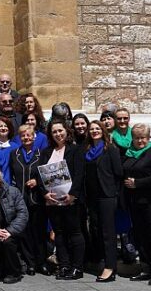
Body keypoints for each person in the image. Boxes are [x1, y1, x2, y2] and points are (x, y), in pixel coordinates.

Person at [37, 121, 87, 280]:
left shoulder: (75, 150)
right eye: (54, 132)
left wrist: (73, 194)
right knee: (59, 233)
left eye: (60, 131)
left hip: (70, 200)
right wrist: (45, 193)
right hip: (52, 201)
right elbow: (40, 175)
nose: (58, 134)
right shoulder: (46, 152)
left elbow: (80, 174)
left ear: (67, 131)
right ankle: (64, 265)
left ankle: (77, 267)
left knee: (75, 232)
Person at [122, 123, 151, 285]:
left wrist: (137, 183)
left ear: (148, 138)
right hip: (135, 202)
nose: (139, 141)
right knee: (140, 237)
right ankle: (145, 268)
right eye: (136, 138)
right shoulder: (129, 154)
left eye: (142, 138)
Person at [83, 120, 123, 282]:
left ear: (103, 131)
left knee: (108, 232)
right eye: (91, 129)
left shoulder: (110, 149)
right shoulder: (87, 150)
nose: (94, 131)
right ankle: (101, 261)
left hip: (107, 196)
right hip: (92, 197)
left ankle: (110, 267)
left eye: (97, 128)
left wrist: (115, 193)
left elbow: (118, 173)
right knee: (96, 230)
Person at [9, 124, 49, 276]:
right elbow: (12, 175)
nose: (26, 138)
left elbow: (46, 174)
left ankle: (42, 262)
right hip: (20, 199)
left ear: (34, 137)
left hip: (37, 199)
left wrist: (37, 182)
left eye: (29, 135)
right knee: (24, 232)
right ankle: (30, 263)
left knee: (39, 231)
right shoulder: (14, 154)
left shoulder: (42, 154)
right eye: (23, 135)